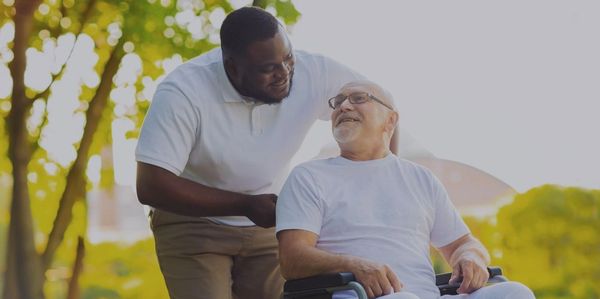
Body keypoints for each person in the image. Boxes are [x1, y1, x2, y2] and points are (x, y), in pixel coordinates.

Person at [134, 6, 382, 299]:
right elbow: (151, 184)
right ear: (232, 66)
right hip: (193, 225)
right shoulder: (184, 92)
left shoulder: (313, 71)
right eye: (268, 68)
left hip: (268, 224)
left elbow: (380, 107)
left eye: (288, 59)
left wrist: (376, 182)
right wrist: (246, 205)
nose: (284, 73)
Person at [276, 80, 536, 299]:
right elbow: (292, 259)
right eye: (338, 101)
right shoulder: (309, 176)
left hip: (425, 295)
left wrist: (472, 257)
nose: (344, 105)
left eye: (358, 98)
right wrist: (354, 265)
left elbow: (463, 243)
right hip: (357, 294)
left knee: (515, 292)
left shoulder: (421, 178)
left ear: (391, 119)